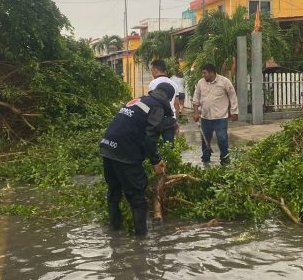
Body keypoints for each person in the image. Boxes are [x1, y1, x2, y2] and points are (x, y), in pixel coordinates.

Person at [99, 83, 177, 236]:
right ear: (169, 98)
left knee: (114, 192)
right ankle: (141, 242)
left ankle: (115, 233)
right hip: (125, 152)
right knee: (137, 196)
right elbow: (149, 138)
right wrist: (156, 161)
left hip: (107, 146)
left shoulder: (141, 100)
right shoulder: (157, 107)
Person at [192, 64, 239, 165]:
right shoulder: (201, 83)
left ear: (212, 73)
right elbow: (196, 98)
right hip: (205, 118)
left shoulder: (224, 82)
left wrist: (234, 112)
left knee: (222, 139)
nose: (203, 75)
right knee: (205, 140)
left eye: (205, 73)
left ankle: (225, 158)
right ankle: (205, 158)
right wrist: (195, 112)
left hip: (220, 117)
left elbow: (233, 96)